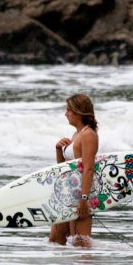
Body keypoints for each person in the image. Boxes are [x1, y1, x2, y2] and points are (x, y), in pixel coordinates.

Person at [50, 94, 99, 247]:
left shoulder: (88, 135)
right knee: (56, 240)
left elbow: (89, 168)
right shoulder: (76, 134)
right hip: (68, 196)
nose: (66, 114)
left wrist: (84, 200)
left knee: (80, 246)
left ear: (78, 112)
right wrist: (59, 149)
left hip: (80, 197)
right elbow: (64, 170)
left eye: (68, 110)